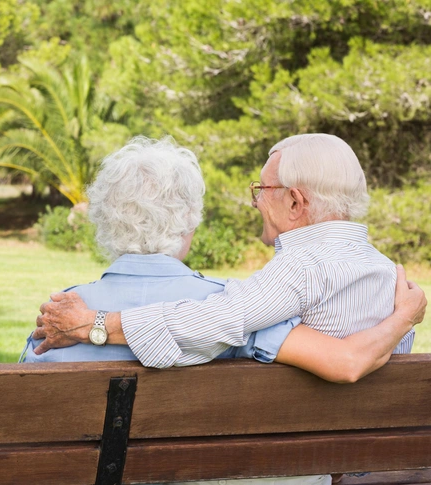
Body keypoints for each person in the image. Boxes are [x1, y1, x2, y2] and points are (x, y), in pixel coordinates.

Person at [30, 135, 426, 485]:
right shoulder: (387, 276)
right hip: (327, 461)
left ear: (294, 201)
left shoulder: (298, 271)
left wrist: (94, 323)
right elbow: (354, 362)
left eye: (262, 189)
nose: (254, 201)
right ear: (189, 221)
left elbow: (212, 321)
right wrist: (403, 319)